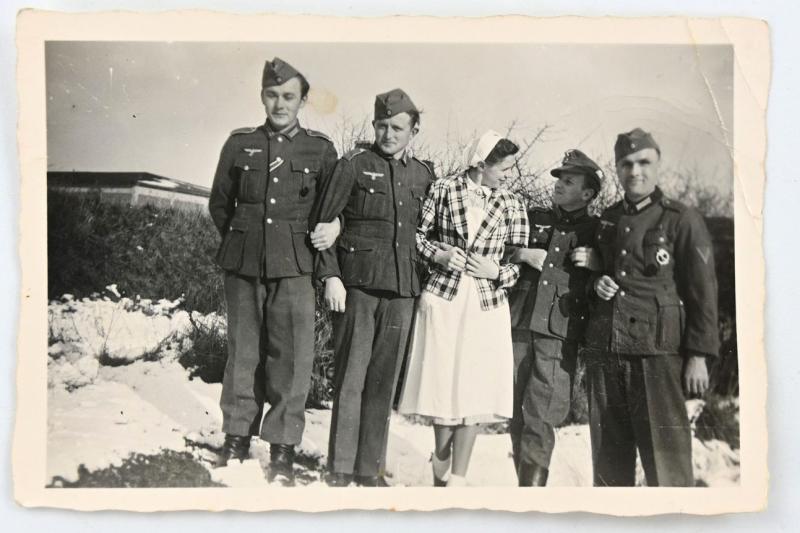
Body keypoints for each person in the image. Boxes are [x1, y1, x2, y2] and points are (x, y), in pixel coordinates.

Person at [208, 57, 338, 485]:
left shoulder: (320, 149)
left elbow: (330, 212)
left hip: (295, 266)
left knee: (292, 360)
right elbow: (220, 205)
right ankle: (236, 440)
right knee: (243, 355)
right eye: (272, 95)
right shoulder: (239, 143)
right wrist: (244, 240)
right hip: (244, 264)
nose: (279, 104)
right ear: (262, 96)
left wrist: (332, 231)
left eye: (288, 97)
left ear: (303, 101)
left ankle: (282, 449)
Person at [312, 88, 434, 487]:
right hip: (357, 288)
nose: (388, 134)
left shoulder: (424, 175)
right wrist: (330, 276)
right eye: (382, 125)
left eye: (397, 127)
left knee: (383, 382)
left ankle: (369, 468)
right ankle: (341, 467)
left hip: (402, 292)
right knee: (350, 378)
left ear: (414, 129)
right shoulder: (353, 165)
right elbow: (323, 224)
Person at [583, 128, 719, 487]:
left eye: (644, 162)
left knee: (667, 463)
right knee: (609, 466)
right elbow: (602, 270)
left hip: (658, 355)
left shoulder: (680, 218)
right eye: (626, 164)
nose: (635, 171)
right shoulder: (608, 219)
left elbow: (702, 291)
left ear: (658, 165)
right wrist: (598, 282)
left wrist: (699, 354)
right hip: (609, 352)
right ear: (616, 167)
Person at [398, 130, 529, 487]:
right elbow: (415, 237)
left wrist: (498, 271)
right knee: (444, 384)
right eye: (503, 167)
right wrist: (438, 255)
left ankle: (458, 477)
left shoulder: (513, 204)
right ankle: (440, 463)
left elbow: (519, 259)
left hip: (486, 305)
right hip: (443, 299)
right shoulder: (443, 189)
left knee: (474, 386)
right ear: (481, 163)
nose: (508, 174)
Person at [506, 149, 604, 486]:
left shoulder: (598, 231)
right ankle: (523, 484)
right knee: (513, 411)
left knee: (541, 413)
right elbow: (500, 246)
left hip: (559, 331)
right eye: (559, 180)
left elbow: (609, 280)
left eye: (568, 181)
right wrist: (520, 253)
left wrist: (596, 263)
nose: (559, 185)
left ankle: (531, 494)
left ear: (587, 193)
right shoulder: (533, 217)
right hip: (519, 322)